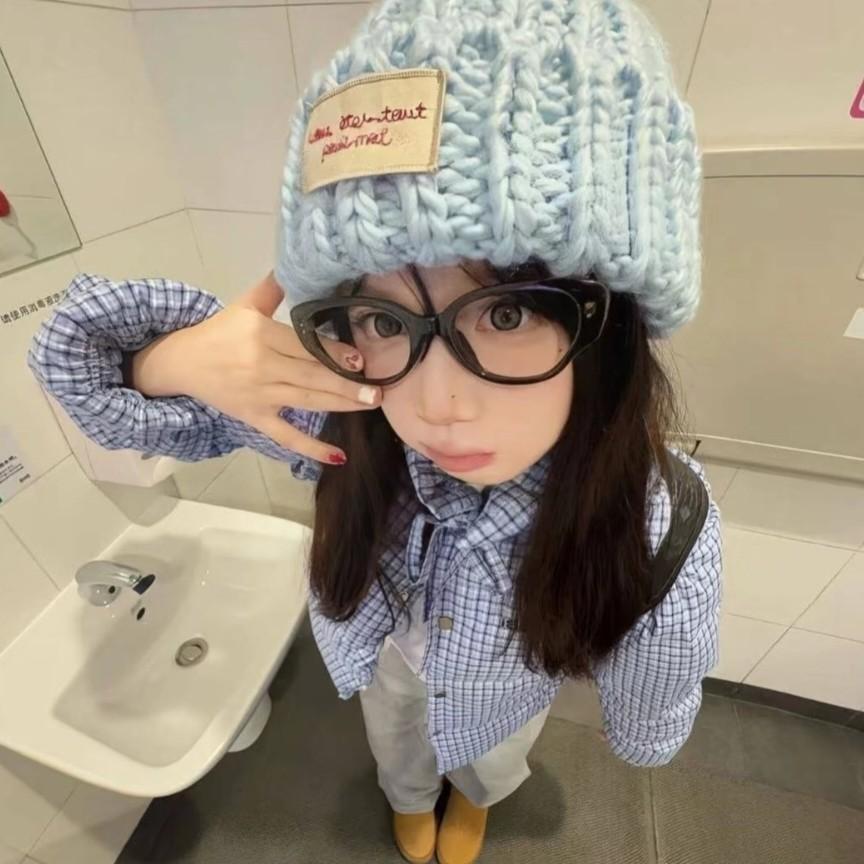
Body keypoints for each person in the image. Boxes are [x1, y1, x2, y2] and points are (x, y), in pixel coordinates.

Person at [27, 1, 723, 862]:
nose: (437, 403)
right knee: (397, 741)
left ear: (612, 325)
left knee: (491, 757)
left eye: (507, 311)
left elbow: (654, 706)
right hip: (386, 663)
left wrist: (645, 712)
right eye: (385, 321)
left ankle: (474, 801)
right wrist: (174, 361)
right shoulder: (349, 424)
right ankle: (409, 798)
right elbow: (78, 367)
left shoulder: (658, 519)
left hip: (506, 693)